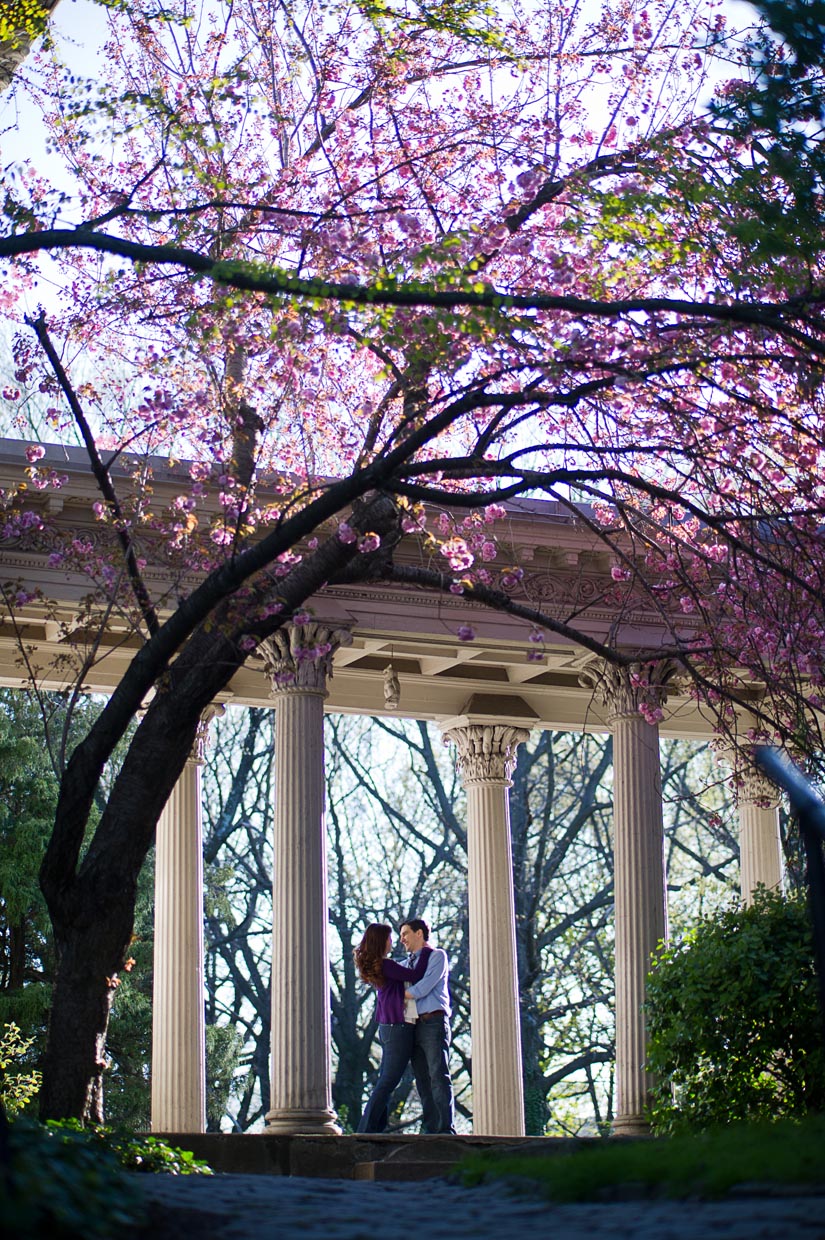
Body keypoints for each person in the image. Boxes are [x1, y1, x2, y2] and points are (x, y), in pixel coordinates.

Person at [354, 923, 432, 1133]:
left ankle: (375, 1127)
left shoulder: (382, 965)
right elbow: (415, 975)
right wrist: (425, 951)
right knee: (389, 1079)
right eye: (389, 938)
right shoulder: (386, 965)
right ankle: (367, 1129)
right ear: (381, 941)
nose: (393, 941)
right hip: (396, 1026)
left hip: (389, 1026)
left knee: (387, 1079)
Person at [400, 918, 456, 1134]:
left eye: (405, 933)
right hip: (413, 1025)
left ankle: (445, 1128)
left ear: (419, 933)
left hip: (433, 1022)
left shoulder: (437, 956)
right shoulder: (405, 965)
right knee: (422, 1078)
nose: (402, 939)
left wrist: (400, 995)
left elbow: (423, 987)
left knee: (438, 1074)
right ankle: (430, 1127)